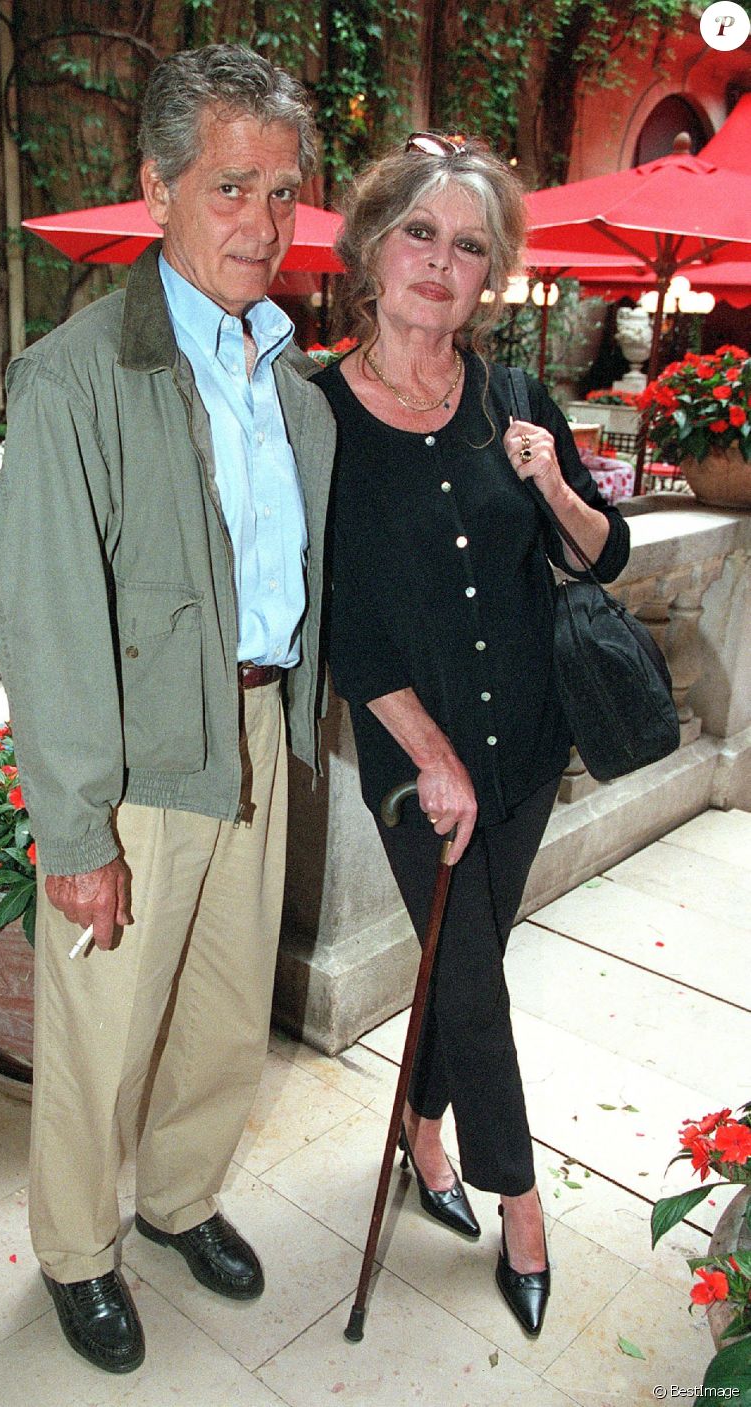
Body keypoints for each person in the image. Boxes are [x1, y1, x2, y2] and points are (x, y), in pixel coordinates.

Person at [0, 44, 335, 1375]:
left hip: (253, 724)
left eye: (281, 192)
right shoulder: (76, 374)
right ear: (158, 188)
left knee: (224, 1001)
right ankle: (79, 1250)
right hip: (132, 753)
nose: (259, 223)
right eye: (229, 187)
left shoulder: (284, 377)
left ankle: (180, 1198)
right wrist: (75, 828)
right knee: (103, 1029)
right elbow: (47, 615)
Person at [316, 134, 630, 1338]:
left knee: (468, 961)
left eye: (466, 246)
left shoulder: (512, 399)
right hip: (416, 766)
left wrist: (550, 482)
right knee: (472, 980)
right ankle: (521, 1202)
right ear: (371, 247)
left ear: (488, 275)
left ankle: (420, 1126)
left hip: (527, 746)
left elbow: (599, 552)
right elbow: (328, 607)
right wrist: (425, 750)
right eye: (418, 233)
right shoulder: (315, 414)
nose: (438, 264)